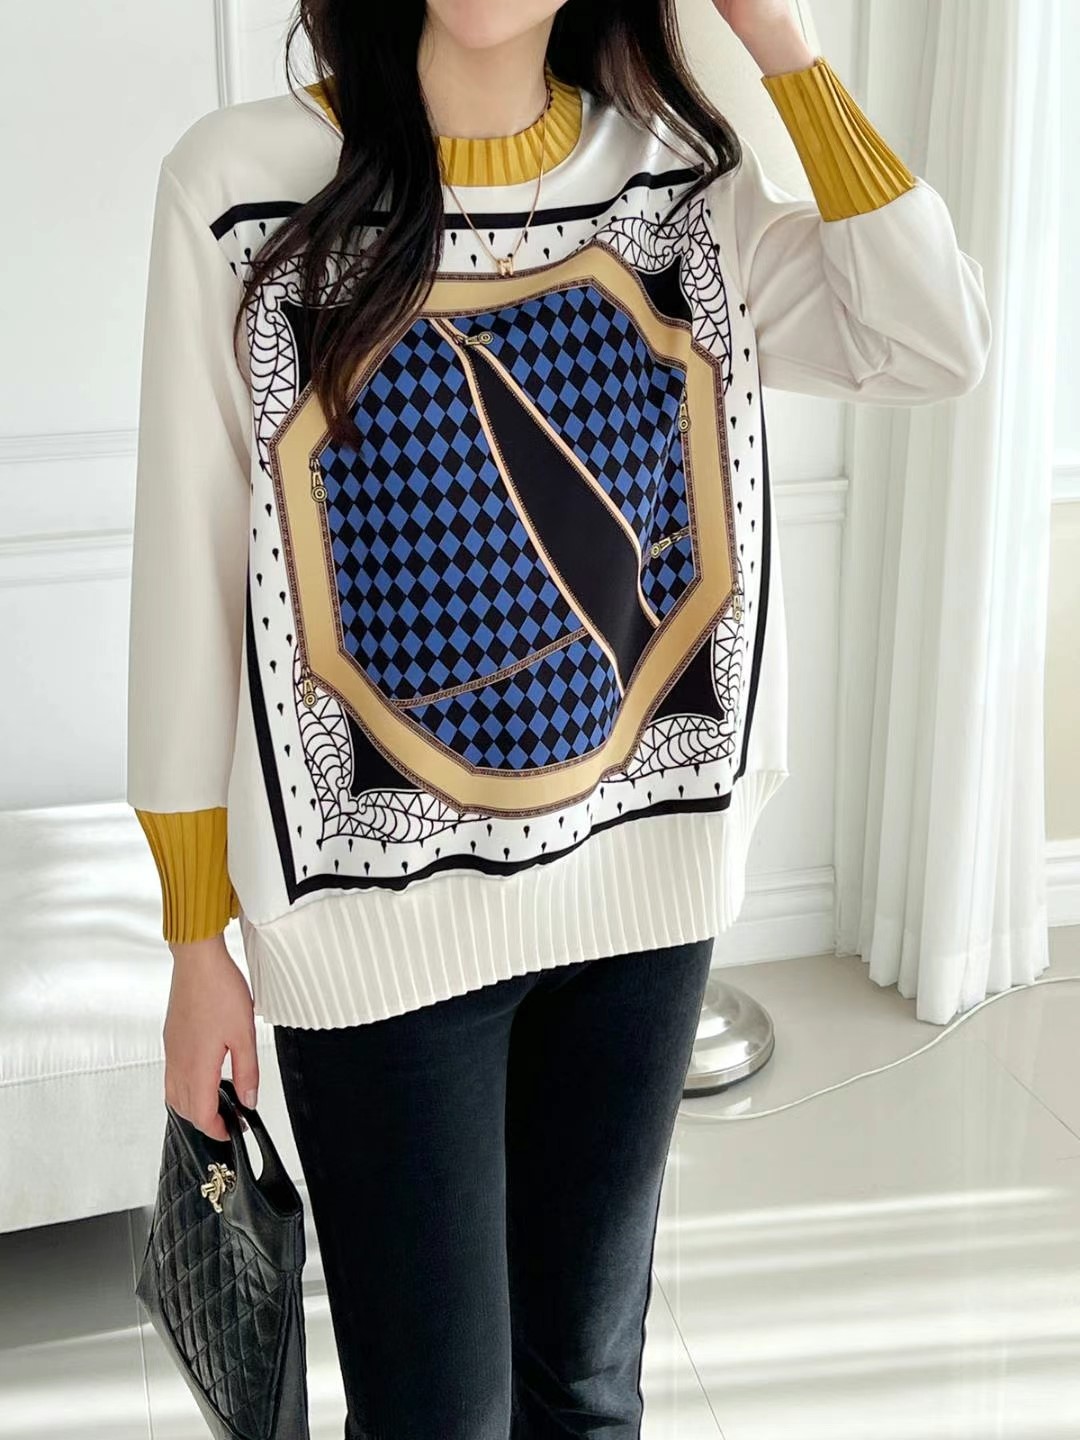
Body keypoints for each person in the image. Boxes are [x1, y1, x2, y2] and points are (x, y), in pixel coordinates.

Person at [126, 1, 991, 1435]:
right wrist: (193, 939)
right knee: (437, 1417)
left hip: (641, 906)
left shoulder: (682, 185)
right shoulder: (240, 189)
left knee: (586, 1391)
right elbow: (187, 569)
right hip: (375, 939)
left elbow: (935, 339)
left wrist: (778, 39)